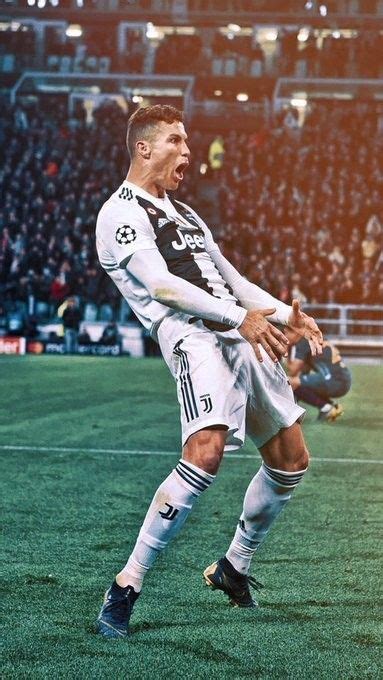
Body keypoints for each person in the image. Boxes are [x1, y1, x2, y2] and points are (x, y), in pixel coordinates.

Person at [95, 104, 323, 639]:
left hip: (239, 329)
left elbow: (232, 280)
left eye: (187, 141)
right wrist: (237, 318)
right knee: (206, 449)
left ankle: (233, 567)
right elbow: (161, 286)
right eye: (176, 141)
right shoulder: (119, 212)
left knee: (291, 460)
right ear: (144, 148)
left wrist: (288, 314)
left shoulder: (188, 214)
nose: (188, 152)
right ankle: (126, 585)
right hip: (192, 334)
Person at [286, 331, 352, 422]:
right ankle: (330, 406)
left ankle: (326, 407)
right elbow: (303, 372)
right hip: (344, 380)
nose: (284, 337)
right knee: (298, 384)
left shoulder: (303, 342)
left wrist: (287, 349)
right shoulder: (312, 338)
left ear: (295, 332)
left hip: (333, 380)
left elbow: (292, 371)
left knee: (290, 383)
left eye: (286, 333)